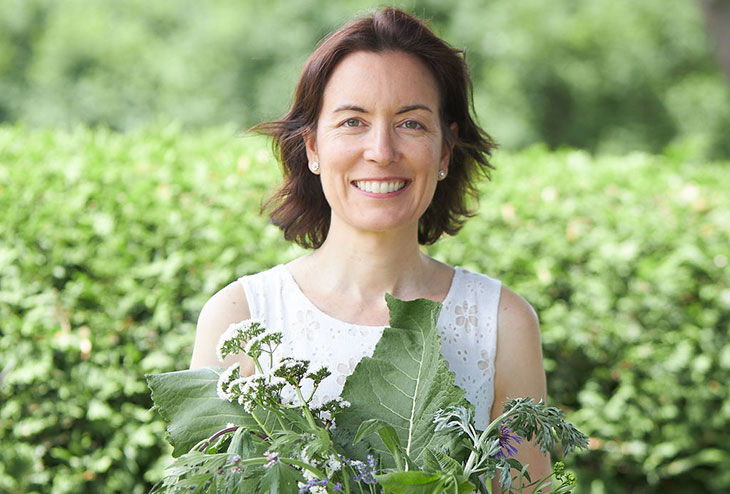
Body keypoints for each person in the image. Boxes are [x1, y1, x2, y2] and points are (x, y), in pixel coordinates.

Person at [190, 6, 550, 485]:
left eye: (411, 123)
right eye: (352, 122)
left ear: (444, 150)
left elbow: (526, 486)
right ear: (313, 147)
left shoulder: (503, 323)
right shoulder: (239, 317)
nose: (381, 151)